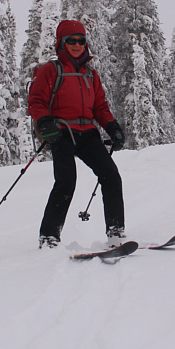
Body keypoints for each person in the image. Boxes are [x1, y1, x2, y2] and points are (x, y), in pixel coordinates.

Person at [27, 20, 127, 249]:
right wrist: (44, 122)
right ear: (61, 43)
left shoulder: (90, 74)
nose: (77, 44)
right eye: (71, 40)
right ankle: (49, 237)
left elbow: (100, 107)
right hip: (61, 132)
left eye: (81, 40)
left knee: (111, 176)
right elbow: (36, 101)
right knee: (66, 181)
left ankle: (116, 232)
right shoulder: (50, 71)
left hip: (87, 134)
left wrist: (112, 127)